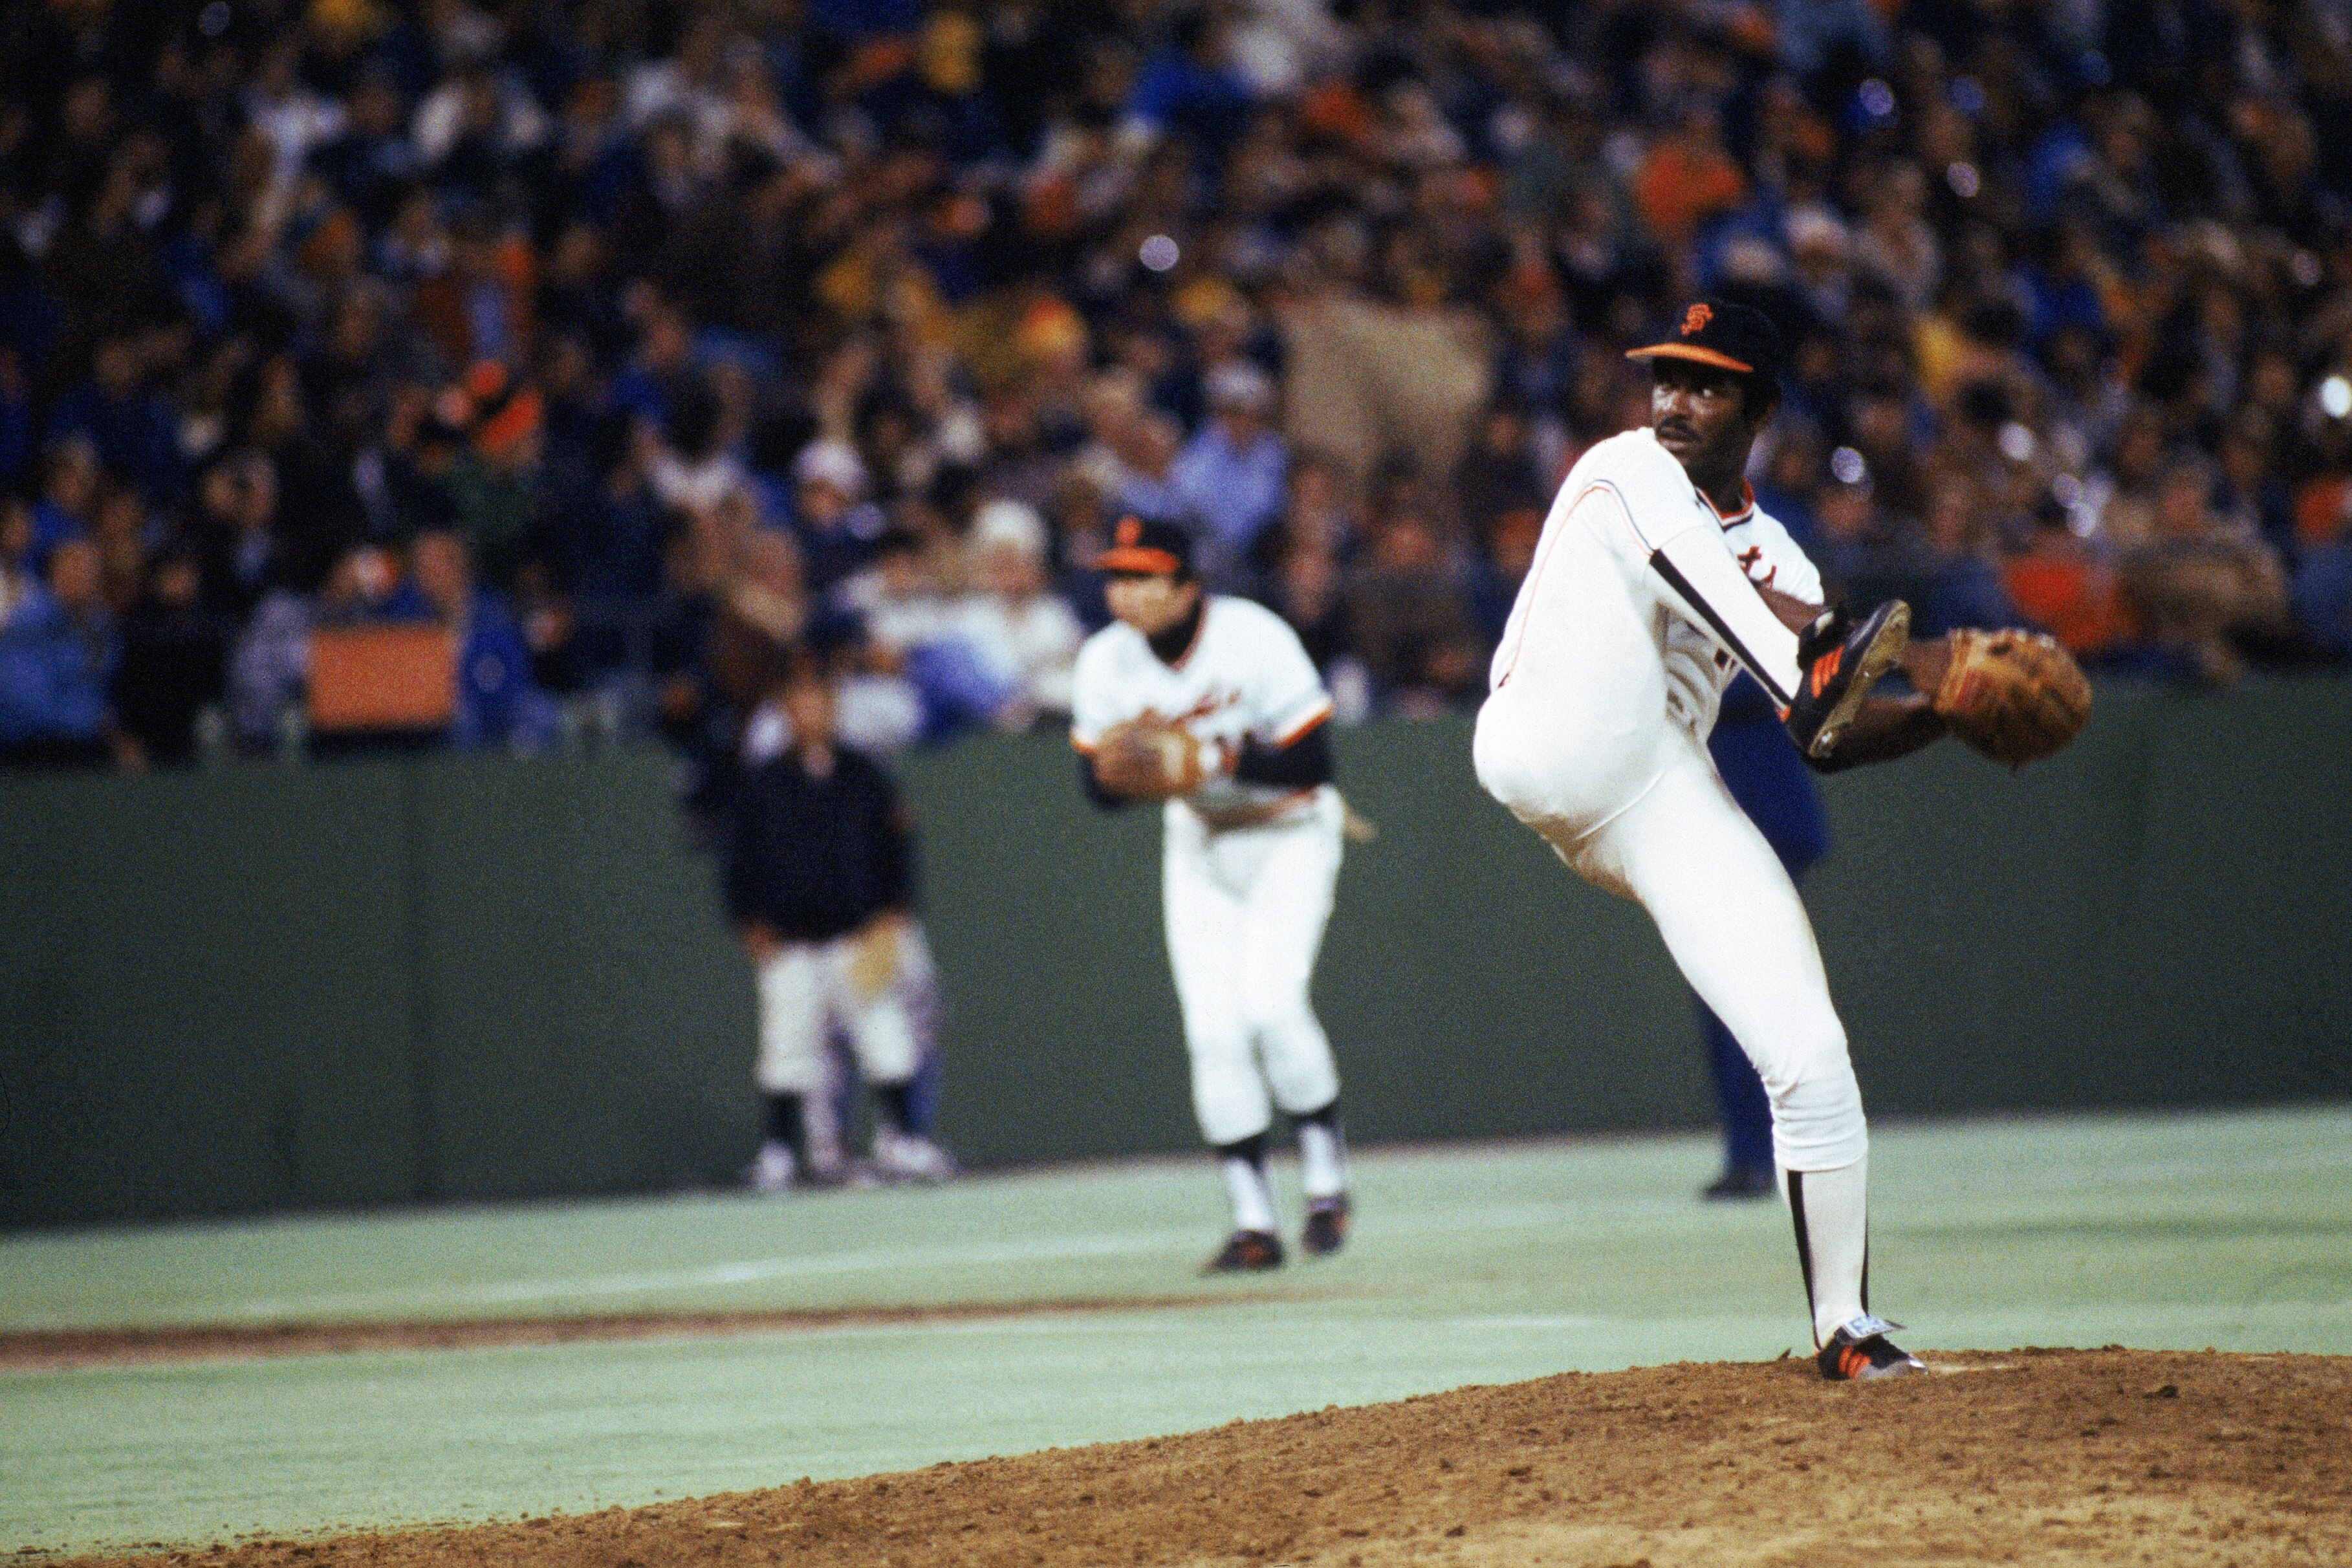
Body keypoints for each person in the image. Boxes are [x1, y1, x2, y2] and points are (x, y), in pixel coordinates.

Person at [1473, 299, 1966, 1382]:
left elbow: (1826, 739)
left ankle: (1849, 1325)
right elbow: (1806, 675)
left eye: (1706, 384)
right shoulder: (1625, 465)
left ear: (1760, 408)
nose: (1675, 400)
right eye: (1666, 375)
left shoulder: (1777, 553)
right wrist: (1820, 660)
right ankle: (1819, 657)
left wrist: (1944, 713)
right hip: (1549, 726)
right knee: (1715, 562)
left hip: (1652, 787)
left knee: (1811, 1050)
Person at [1069, 516, 1352, 1272]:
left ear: (1188, 585)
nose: (1123, 592)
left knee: (1270, 1004)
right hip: (1199, 843)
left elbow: (1316, 759)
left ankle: (1326, 1173)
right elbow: (1094, 791)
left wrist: (1214, 755)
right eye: (1114, 576)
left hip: (1289, 833)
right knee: (1214, 1033)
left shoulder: (1251, 636)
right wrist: (1140, 773)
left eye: (1142, 576)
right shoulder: (1104, 662)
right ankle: (1254, 1222)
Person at [726, 660, 954, 1191]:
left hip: (858, 937)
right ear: (785, 712)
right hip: (792, 945)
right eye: (800, 704)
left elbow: (896, 848)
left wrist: (896, 910)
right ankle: (780, 1154)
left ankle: (906, 1142)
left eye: (820, 703)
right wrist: (748, 921)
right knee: (786, 1049)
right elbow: (739, 862)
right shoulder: (764, 782)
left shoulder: (862, 773)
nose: (811, 714)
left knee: (887, 1039)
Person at [1694, 673, 1829, 1200]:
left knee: (1754, 997)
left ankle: (1771, 1154)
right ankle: (1747, 1154)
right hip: (1700, 825)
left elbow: (1769, 675)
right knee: (1720, 998)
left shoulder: (1752, 600)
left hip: (1759, 815)